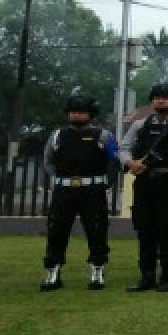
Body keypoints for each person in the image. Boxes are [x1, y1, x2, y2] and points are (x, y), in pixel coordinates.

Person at [39, 94, 117, 291]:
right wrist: (58, 179)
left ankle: (97, 270)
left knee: (97, 229)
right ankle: (53, 272)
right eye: (73, 112)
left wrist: (106, 183)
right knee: (57, 230)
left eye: (81, 112)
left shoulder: (103, 136)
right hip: (64, 191)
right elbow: (48, 161)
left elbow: (113, 161)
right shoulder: (57, 135)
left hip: (93, 191)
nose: (77, 115)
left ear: (90, 114)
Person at [120, 83, 168, 293]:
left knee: (167, 230)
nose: (160, 100)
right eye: (157, 97)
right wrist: (131, 163)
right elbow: (124, 147)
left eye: (165, 97)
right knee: (144, 230)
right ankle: (146, 276)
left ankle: (166, 275)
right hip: (145, 181)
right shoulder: (140, 124)